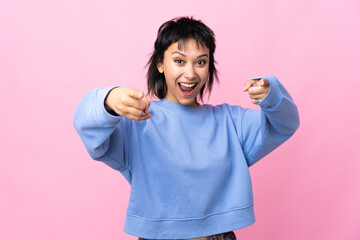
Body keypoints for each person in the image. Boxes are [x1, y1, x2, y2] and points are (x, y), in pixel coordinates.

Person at [73, 16, 300, 240]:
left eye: (200, 62)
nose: (190, 74)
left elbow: (285, 123)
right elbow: (89, 130)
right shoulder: (138, 121)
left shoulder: (230, 122)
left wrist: (271, 94)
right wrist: (108, 100)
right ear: (160, 63)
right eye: (179, 61)